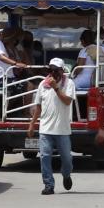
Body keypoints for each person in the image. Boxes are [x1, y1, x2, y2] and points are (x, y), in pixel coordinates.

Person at [26, 58, 77, 195]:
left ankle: (66, 174)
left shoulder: (69, 83)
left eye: (56, 70)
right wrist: (32, 124)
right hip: (45, 129)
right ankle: (48, 184)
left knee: (67, 159)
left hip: (62, 130)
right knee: (45, 156)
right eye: (51, 70)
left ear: (62, 70)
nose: (53, 73)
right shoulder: (43, 84)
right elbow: (38, 107)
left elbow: (67, 101)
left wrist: (56, 88)